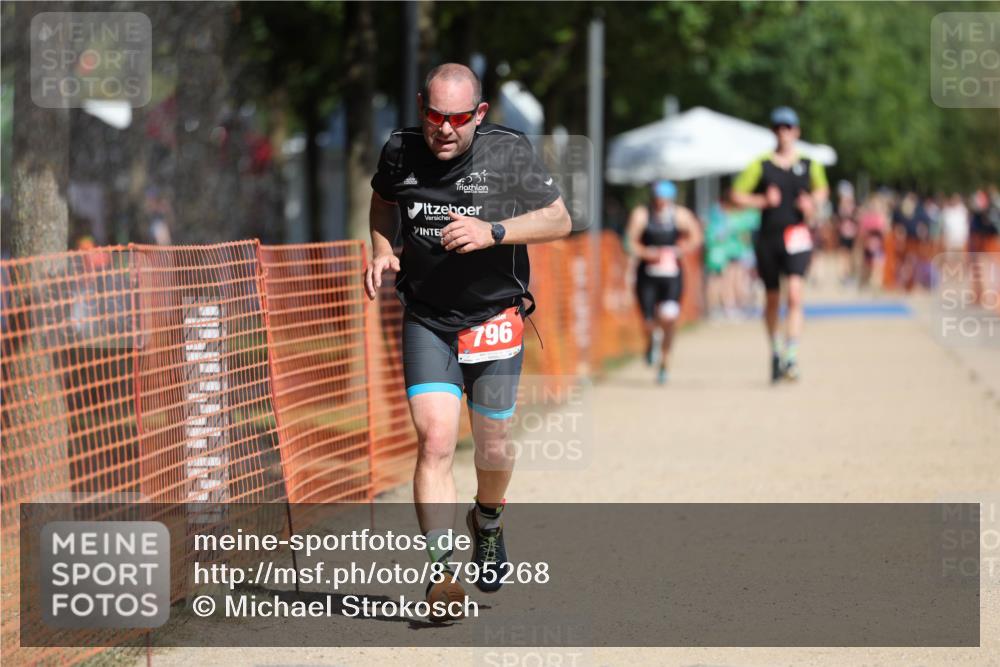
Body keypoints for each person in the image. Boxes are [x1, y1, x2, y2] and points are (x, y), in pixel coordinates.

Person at [365, 63, 572, 620]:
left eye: (459, 118)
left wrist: (493, 232)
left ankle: (489, 516)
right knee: (435, 441)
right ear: (420, 108)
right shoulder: (400, 150)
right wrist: (383, 250)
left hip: (493, 318)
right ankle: (440, 574)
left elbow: (559, 220)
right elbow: (384, 202)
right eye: (435, 116)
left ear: (479, 114)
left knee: (493, 446)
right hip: (428, 317)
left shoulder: (507, 152)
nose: (445, 129)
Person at [732, 107, 829, 383]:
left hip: (797, 236)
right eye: (778, 128)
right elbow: (736, 195)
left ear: (796, 131)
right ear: (773, 131)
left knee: (796, 294)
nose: (783, 133)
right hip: (768, 238)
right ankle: (775, 350)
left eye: (788, 127)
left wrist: (813, 202)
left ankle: (792, 356)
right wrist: (761, 201)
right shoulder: (761, 164)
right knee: (772, 298)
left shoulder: (810, 164)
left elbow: (822, 189)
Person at [626, 180, 702, 385]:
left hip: (672, 275)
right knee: (648, 322)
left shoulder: (680, 215)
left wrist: (682, 248)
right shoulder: (642, 215)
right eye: (658, 199)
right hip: (647, 275)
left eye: (664, 199)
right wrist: (645, 253)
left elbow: (696, 236)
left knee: (669, 317)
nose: (661, 203)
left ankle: (664, 362)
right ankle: (651, 342)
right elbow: (630, 240)